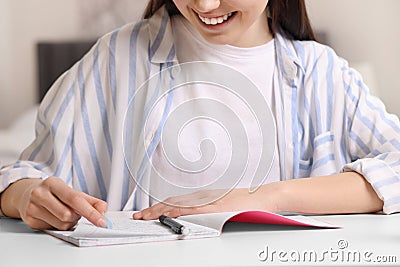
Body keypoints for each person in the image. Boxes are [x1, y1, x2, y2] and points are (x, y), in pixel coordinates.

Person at [0, 0, 399, 230]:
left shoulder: (321, 74)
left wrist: (265, 198)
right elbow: (22, 175)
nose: (205, 5)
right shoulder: (115, 59)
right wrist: (24, 198)